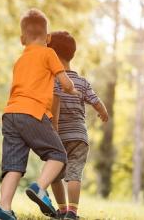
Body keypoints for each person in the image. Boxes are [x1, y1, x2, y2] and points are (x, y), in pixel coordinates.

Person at [0, 9, 80, 220]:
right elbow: (64, 80)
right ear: (48, 38)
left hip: (10, 114)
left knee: (13, 165)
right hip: (33, 112)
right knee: (58, 155)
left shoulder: (20, 60)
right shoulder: (48, 53)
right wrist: (72, 89)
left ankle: (3, 209)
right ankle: (40, 187)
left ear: (22, 39)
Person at [48, 31, 109, 220]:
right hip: (79, 137)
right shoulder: (81, 82)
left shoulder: (52, 80)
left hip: (58, 136)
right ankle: (73, 212)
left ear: (53, 55)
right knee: (74, 173)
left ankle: (63, 209)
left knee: (55, 175)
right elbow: (96, 101)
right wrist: (103, 112)